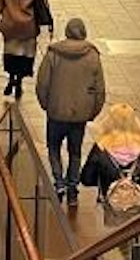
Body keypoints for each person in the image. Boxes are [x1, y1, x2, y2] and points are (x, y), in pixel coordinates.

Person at [36, 17, 105, 203]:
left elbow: (42, 84)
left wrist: (46, 105)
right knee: (75, 152)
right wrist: (92, 112)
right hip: (79, 116)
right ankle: (73, 187)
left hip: (56, 112)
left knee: (53, 147)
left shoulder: (53, 54)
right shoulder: (92, 56)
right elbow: (100, 90)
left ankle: (59, 182)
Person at [79, 104, 140, 213]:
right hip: (135, 201)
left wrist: (106, 178)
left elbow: (86, 179)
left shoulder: (100, 147)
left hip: (110, 201)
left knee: (112, 223)